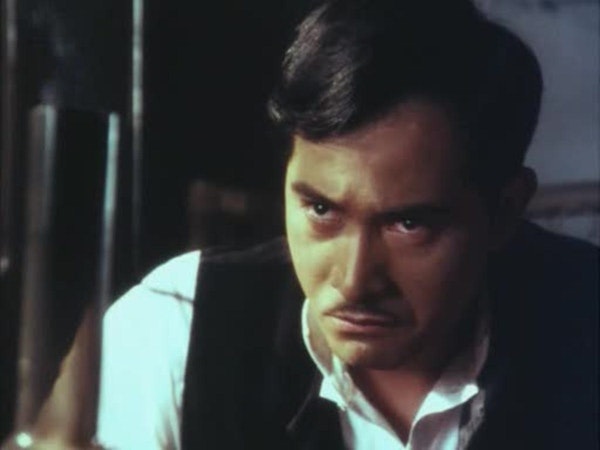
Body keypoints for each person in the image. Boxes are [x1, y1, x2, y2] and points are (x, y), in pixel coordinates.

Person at [96, 0, 598, 449]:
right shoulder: (176, 330)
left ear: (504, 211)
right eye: (321, 210)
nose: (354, 281)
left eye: (408, 224)